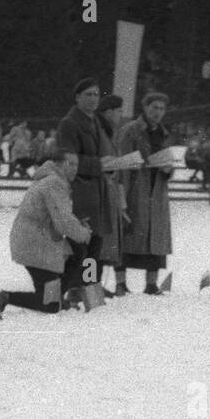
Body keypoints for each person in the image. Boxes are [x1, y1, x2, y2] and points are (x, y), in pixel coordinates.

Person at [0, 150, 92, 314]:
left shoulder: (53, 181)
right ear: (59, 164)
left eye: (77, 164)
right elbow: (64, 222)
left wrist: (78, 227)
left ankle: (56, 297)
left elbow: (61, 216)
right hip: (36, 246)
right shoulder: (54, 183)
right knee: (50, 304)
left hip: (38, 243)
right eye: (71, 164)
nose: (75, 169)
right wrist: (84, 233)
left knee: (76, 253)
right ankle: (0, 297)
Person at [57, 78, 114, 305]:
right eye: (88, 94)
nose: (93, 99)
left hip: (98, 191)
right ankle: (60, 292)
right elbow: (68, 160)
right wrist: (100, 164)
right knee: (77, 247)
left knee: (94, 246)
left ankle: (86, 289)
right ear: (77, 97)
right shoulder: (69, 123)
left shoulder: (96, 122)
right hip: (80, 190)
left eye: (96, 94)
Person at [115, 92, 174, 295]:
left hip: (156, 191)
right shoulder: (130, 130)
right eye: (154, 107)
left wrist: (168, 168)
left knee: (155, 237)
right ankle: (120, 282)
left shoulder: (164, 133)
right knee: (128, 234)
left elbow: (168, 159)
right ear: (145, 107)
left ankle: (151, 283)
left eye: (161, 108)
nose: (157, 112)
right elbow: (122, 161)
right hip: (135, 189)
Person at [95, 94, 127, 295]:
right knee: (94, 244)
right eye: (118, 111)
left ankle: (92, 285)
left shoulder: (110, 133)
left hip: (109, 191)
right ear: (108, 112)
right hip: (98, 191)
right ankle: (86, 286)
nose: (121, 115)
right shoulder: (99, 132)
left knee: (101, 244)